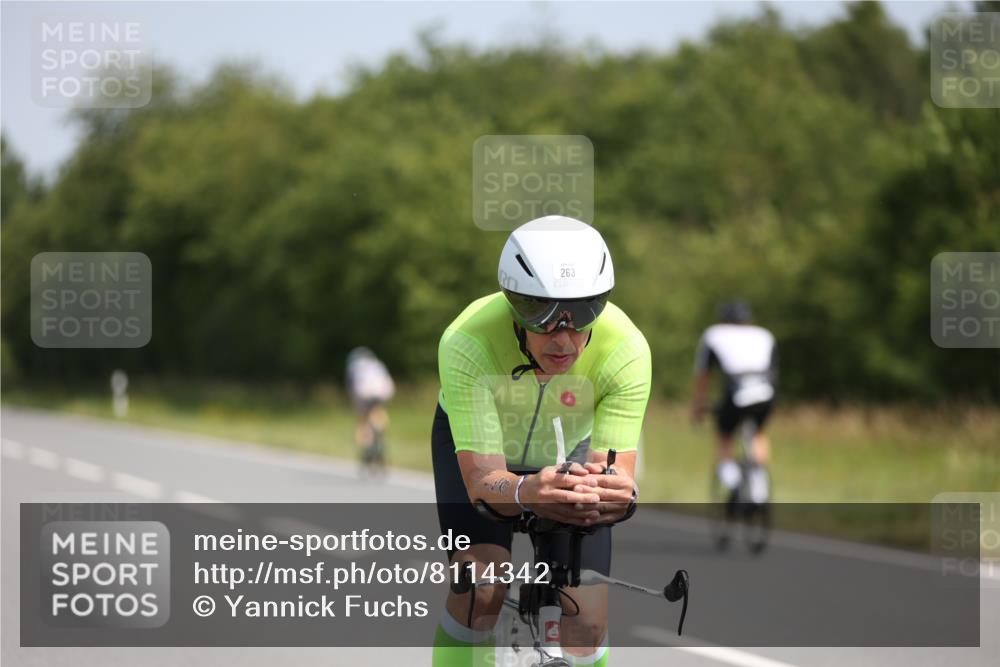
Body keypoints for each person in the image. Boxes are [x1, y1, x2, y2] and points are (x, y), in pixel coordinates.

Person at [432, 215, 651, 667]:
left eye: (583, 312)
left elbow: (617, 476)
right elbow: (482, 481)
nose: (563, 339)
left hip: (568, 450)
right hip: (484, 455)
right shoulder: (467, 340)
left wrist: (614, 493)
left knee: (587, 621)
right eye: (540, 314)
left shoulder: (627, 350)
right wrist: (526, 491)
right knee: (481, 589)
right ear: (512, 304)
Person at [691, 300, 777, 502]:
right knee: (759, 433)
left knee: (724, 436)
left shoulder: (714, 334)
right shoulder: (765, 335)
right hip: (765, 392)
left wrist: (699, 407)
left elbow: (703, 376)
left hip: (736, 391)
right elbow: (774, 372)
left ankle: (732, 482)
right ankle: (759, 488)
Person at [345, 346, 395, 470]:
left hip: (364, 390)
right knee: (378, 411)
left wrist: (358, 407)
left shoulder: (354, 366)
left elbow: (352, 388)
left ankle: (366, 445)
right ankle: (380, 431)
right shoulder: (377, 364)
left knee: (363, 418)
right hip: (384, 390)